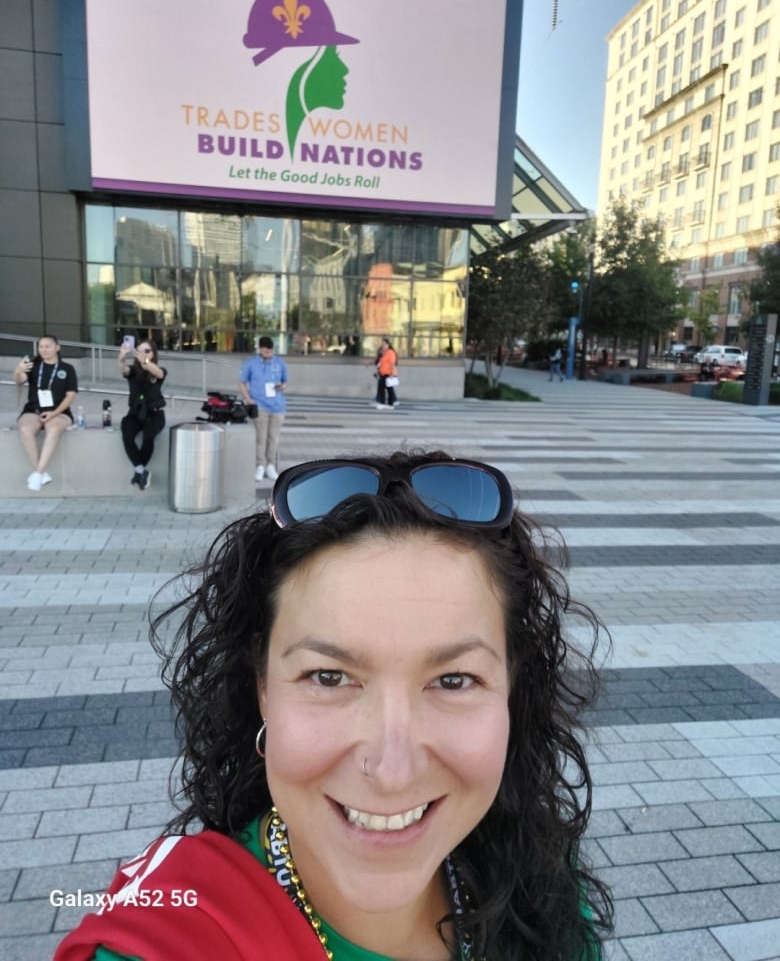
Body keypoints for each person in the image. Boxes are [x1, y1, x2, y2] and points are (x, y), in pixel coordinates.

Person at [53, 451, 612, 961]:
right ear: (262, 686)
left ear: (511, 688)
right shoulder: (170, 939)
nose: (393, 772)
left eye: (454, 680)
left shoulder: (545, 888)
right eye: (328, 676)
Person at [13, 335, 78, 492]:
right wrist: (18, 370)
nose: (43, 349)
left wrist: (54, 413)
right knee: (25, 429)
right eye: (41, 346)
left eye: (48, 346)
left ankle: (37, 473)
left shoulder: (67, 369)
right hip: (33, 410)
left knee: (53, 427)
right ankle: (40, 473)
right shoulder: (33, 365)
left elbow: (71, 395)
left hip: (59, 412)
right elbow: (19, 380)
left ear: (57, 347)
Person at [118, 340, 167, 491]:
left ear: (153, 354)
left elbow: (158, 373)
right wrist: (121, 357)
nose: (144, 353)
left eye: (147, 351)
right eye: (140, 350)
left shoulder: (159, 369)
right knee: (127, 434)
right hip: (135, 412)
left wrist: (145, 360)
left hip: (154, 413)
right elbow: (124, 370)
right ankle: (141, 471)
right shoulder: (133, 370)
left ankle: (139, 473)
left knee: (148, 435)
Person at [238, 337, 288, 482]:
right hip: (259, 405)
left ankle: (271, 465)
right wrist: (248, 399)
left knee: (273, 438)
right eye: (266, 351)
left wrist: (281, 386)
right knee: (261, 437)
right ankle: (260, 465)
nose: (268, 354)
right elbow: (242, 383)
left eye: (270, 351)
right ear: (260, 349)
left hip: (277, 406)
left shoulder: (280, 363)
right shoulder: (251, 364)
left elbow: (285, 382)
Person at [374, 337, 398, 409]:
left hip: (388, 373)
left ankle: (382, 403)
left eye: (384, 344)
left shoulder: (390, 353)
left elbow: (392, 364)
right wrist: (377, 371)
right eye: (382, 344)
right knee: (389, 389)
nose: (383, 346)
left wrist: (392, 373)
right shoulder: (384, 353)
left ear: (388, 345)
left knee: (383, 388)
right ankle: (390, 404)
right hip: (383, 373)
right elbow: (381, 363)